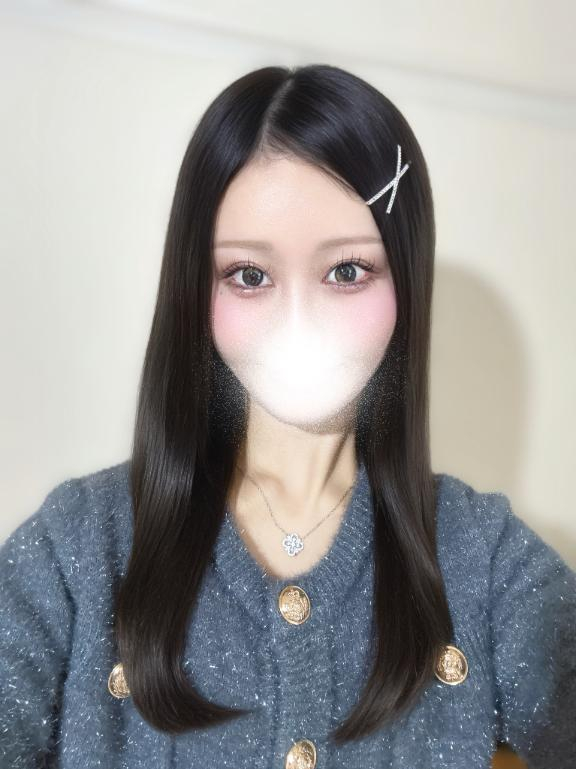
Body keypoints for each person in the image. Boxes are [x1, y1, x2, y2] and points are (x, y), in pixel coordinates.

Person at [1, 63, 575, 769]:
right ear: (196, 290)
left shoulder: (484, 559)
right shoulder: (75, 549)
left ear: (405, 281)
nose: (298, 321)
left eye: (346, 272)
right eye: (249, 275)